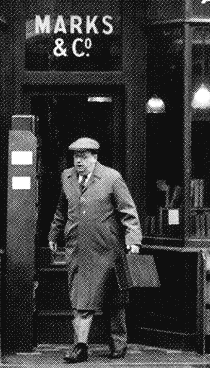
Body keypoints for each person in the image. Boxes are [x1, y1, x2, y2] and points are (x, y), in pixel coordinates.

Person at [48, 137, 142, 363]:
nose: (79, 161)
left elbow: (128, 211)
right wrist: (54, 232)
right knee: (80, 299)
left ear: (95, 157)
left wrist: (134, 239)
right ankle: (80, 346)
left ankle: (118, 343)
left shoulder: (112, 178)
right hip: (78, 249)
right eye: (75, 156)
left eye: (84, 156)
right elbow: (62, 209)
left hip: (107, 250)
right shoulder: (67, 177)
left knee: (114, 299)